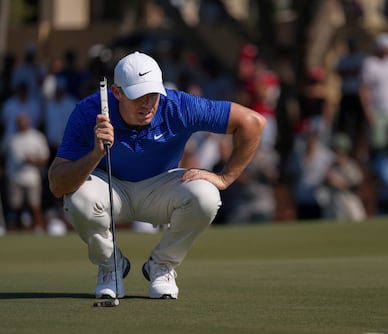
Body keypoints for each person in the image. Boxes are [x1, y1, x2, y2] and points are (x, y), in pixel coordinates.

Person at [48, 51, 265, 300]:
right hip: (110, 188)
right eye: (138, 95)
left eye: (153, 94)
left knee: (207, 195)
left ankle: (162, 266)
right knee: (78, 198)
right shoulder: (88, 112)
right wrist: (96, 153)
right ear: (117, 93)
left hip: (161, 187)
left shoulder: (179, 106)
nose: (148, 103)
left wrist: (225, 178)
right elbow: (57, 184)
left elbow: (252, 122)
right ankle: (110, 267)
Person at [4, 113, 50, 232]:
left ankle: (39, 227)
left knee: (35, 205)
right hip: (14, 176)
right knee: (15, 205)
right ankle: (14, 228)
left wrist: (32, 160)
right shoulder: (11, 138)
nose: (21, 125)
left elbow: (45, 158)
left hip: (32, 177)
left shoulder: (37, 137)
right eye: (19, 122)